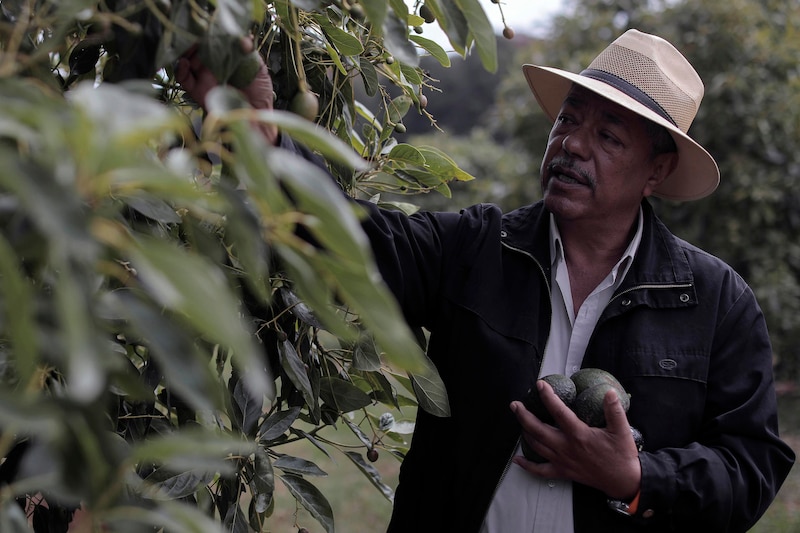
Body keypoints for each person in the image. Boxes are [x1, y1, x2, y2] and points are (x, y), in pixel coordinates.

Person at [177, 28, 795, 532]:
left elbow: (752, 465)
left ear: (656, 172)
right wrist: (264, 134)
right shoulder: (479, 247)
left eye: (607, 137)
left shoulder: (715, 302)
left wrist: (636, 480)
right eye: (569, 121)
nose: (572, 145)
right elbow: (356, 242)